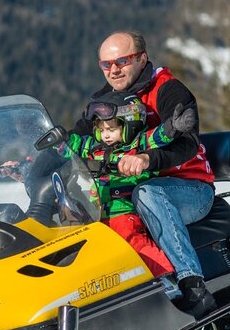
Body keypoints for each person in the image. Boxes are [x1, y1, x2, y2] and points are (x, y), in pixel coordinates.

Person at [73, 31, 217, 318]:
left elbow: (187, 144)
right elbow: (77, 138)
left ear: (142, 58)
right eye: (106, 64)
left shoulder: (168, 89)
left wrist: (147, 159)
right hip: (137, 188)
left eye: (122, 61)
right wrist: (37, 160)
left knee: (147, 193)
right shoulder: (106, 100)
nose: (114, 70)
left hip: (189, 187)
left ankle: (191, 284)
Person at [64, 91, 197, 281]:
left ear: (129, 124)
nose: (105, 135)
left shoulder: (137, 145)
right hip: (95, 214)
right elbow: (73, 145)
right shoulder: (93, 147)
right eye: (101, 129)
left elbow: (156, 137)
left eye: (111, 129)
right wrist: (59, 141)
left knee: (134, 244)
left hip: (123, 213)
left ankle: (165, 277)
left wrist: (173, 127)